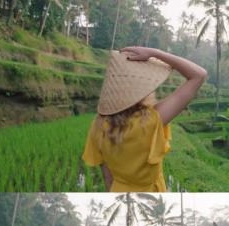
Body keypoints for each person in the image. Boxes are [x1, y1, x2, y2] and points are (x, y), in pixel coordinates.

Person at [82, 47, 207, 192]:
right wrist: (156, 53)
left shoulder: (98, 125)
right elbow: (199, 75)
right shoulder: (152, 120)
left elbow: (107, 177)